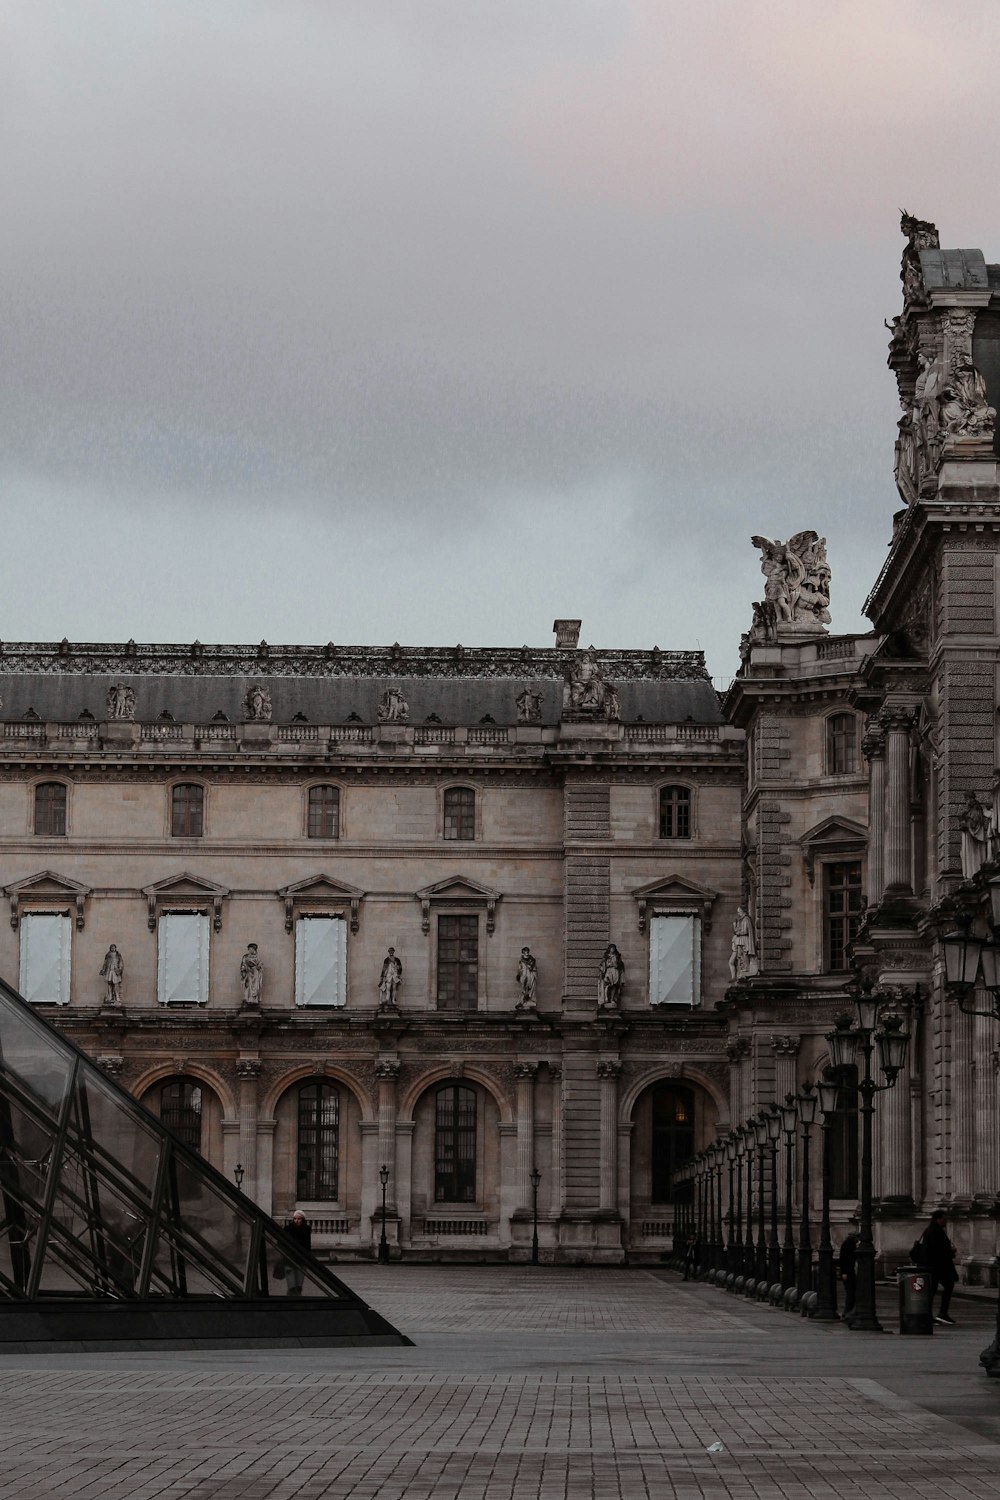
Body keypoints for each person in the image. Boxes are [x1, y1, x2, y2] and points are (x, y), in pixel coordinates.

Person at [919, 1209, 958, 1325]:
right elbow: (938, 1250)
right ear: (938, 1219)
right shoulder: (935, 1231)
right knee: (944, 1286)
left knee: (933, 1290)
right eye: (944, 1219)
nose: (946, 1221)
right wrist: (951, 1251)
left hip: (933, 1266)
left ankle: (934, 1314)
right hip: (937, 1266)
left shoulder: (931, 1230)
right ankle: (940, 1313)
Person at [282, 1210, 311, 1296]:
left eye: (299, 1219)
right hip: (289, 1259)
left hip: (301, 1260)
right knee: (291, 1286)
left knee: (299, 1286)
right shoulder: (288, 1229)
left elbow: (308, 1245)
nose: (296, 1220)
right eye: (295, 1218)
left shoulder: (306, 1229)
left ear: (303, 1220)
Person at [837, 1229, 859, 1323]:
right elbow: (844, 1259)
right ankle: (847, 1313)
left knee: (851, 1293)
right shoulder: (849, 1244)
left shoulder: (848, 1243)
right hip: (848, 1272)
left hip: (848, 1272)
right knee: (850, 1293)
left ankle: (848, 1312)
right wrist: (844, 1273)